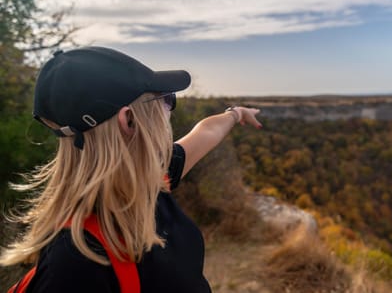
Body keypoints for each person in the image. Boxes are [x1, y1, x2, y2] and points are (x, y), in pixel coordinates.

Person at [0, 46, 262, 292]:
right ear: (129, 120)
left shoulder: (152, 175)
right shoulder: (74, 264)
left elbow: (206, 132)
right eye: (165, 99)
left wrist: (236, 113)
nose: (169, 108)